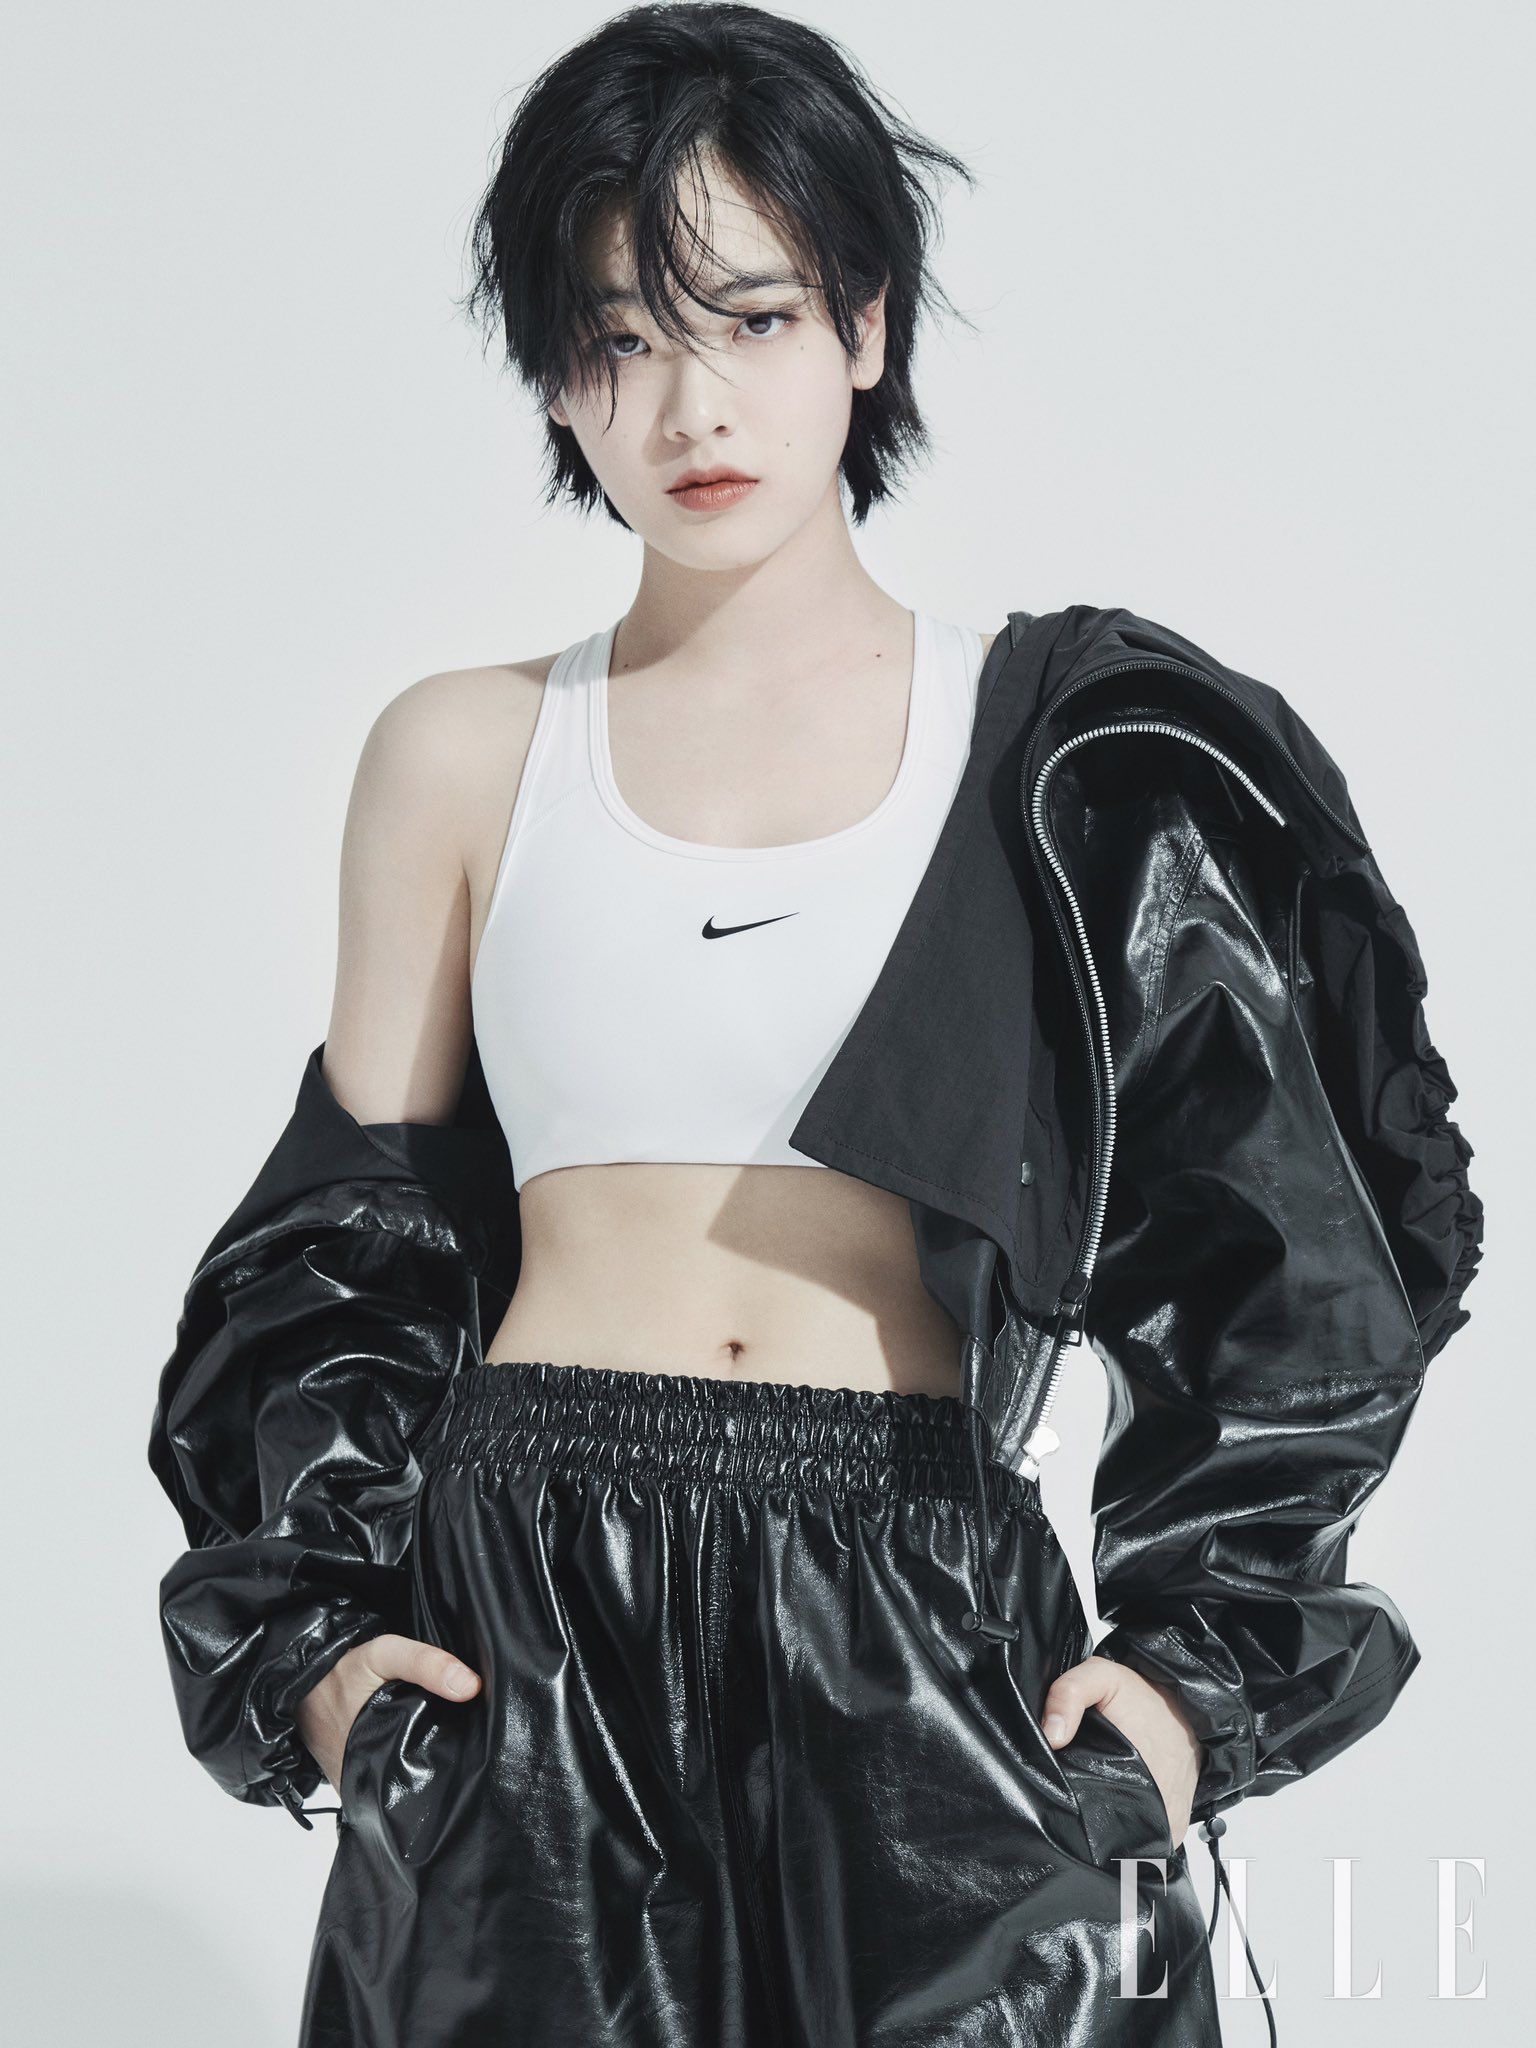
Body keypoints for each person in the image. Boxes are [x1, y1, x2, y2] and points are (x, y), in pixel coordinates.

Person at [148, 7, 1483, 2045]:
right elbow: (341, 1250)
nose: (694, 402)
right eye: (620, 337)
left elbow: (1282, 1264)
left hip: (924, 1611)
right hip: (534, 1626)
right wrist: (323, 1653)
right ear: (555, 379)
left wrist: (1190, 1682)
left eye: (755, 318)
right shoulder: (464, 755)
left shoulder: (1056, 758)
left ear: (864, 325)